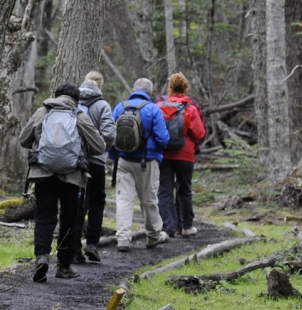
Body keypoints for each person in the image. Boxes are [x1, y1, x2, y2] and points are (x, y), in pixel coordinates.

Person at [18, 82, 106, 283]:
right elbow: (99, 146)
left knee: (44, 217)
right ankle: (64, 266)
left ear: (56, 95)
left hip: (43, 174)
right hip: (73, 177)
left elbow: (24, 139)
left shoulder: (43, 111)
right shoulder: (79, 116)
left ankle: (41, 257)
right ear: (76, 99)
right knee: (69, 219)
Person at [110, 78, 170, 252]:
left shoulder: (120, 107)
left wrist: (115, 157)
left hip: (123, 161)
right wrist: (156, 154)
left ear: (133, 89)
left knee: (123, 200)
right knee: (149, 200)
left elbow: (111, 136)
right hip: (147, 161)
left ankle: (122, 239)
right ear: (150, 92)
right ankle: (153, 236)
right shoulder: (153, 109)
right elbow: (163, 139)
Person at [156, 73, 206, 237]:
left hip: (164, 154)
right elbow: (199, 134)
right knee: (184, 190)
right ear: (186, 88)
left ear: (170, 88)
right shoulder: (190, 108)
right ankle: (186, 226)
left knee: (164, 191)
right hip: (185, 155)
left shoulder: (159, 106)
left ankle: (167, 227)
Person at [74, 71, 115, 264]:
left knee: (76, 203)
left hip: (75, 161)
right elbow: (108, 134)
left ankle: (74, 247)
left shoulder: (72, 102)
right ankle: (92, 244)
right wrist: (100, 150)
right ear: (101, 85)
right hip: (96, 162)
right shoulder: (102, 105)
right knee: (97, 202)